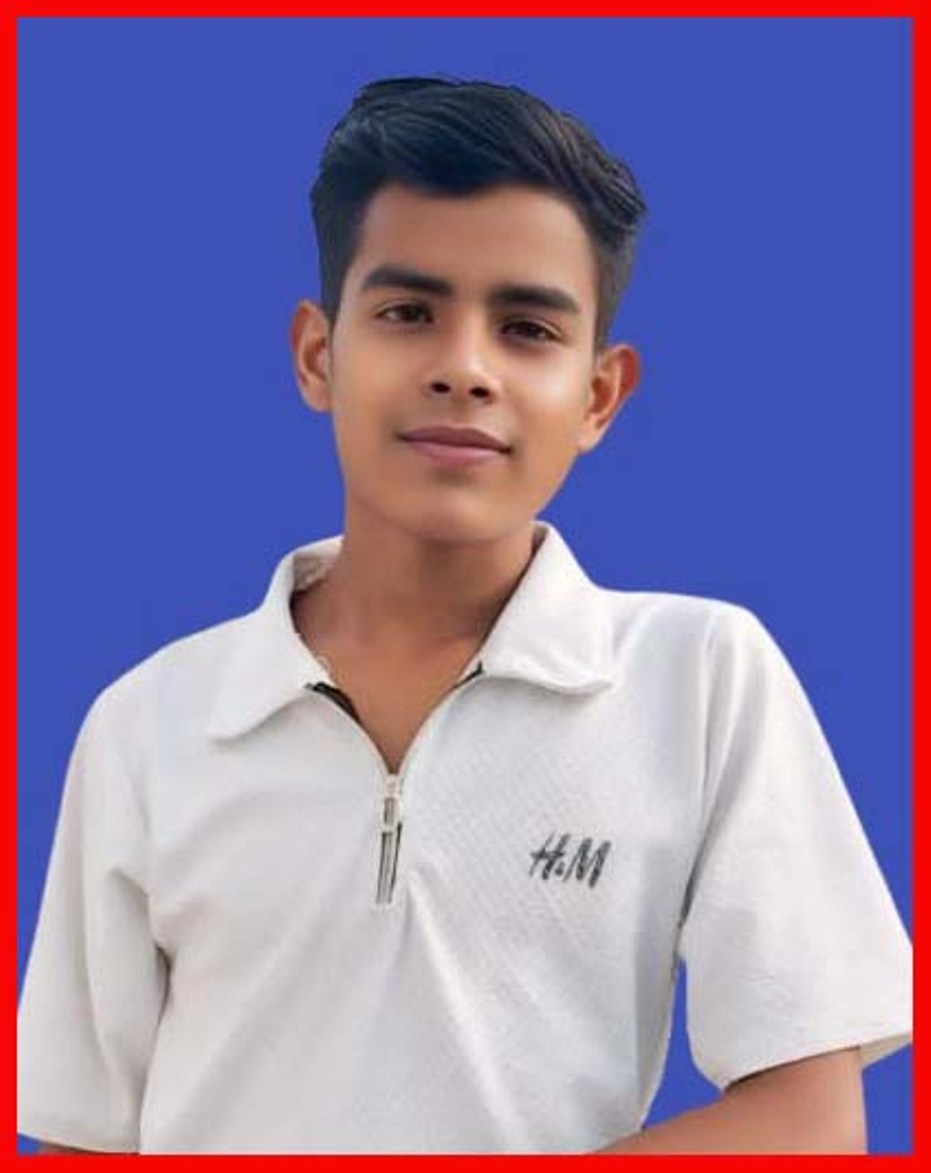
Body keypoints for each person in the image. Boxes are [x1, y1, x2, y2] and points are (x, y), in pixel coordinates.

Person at [17, 75, 911, 1155]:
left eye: (526, 327)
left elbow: (807, 1123)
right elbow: (77, 1134)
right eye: (408, 314)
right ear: (317, 354)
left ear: (598, 395)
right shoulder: (151, 722)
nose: (464, 369)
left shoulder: (701, 679)